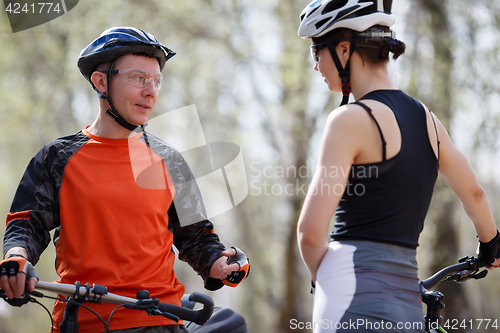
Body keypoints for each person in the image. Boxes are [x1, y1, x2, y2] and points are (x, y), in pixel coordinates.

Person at [0, 27, 249, 333]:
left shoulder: (169, 160)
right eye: (138, 78)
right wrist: (15, 259)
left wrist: (221, 264)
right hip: (83, 322)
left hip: (162, 321)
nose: (151, 91)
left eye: (156, 81)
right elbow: (27, 225)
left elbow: (196, 237)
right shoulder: (58, 158)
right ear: (101, 81)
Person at [296, 1, 500, 332]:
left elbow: (309, 233)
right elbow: (475, 193)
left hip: (349, 300)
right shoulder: (429, 122)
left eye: (316, 51)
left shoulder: (348, 120)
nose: (316, 65)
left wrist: (331, 283)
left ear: (344, 49)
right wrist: (490, 245)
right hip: (406, 303)